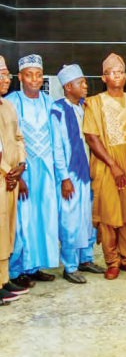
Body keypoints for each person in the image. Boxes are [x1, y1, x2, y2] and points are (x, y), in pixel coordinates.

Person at [83, 53, 126, 280]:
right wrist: (113, 165)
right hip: (105, 164)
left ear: (125, 76)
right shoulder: (94, 103)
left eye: (120, 72)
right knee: (109, 214)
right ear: (104, 77)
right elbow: (92, 137)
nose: (116, 76)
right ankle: (112, 261)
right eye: (111, 72)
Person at [7, 54, 59, 289]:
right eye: (29, 75)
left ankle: (35, 266)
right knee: (23, 220)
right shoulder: (11, 102)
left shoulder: (49, 102)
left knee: (44, 218)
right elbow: (11, 141)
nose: (34, 80)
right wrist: (19, 176)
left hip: (46, 171)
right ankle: (17, 270)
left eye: (38, 75)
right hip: (23, 172)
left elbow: (56, 138)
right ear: (20, 77)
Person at [51, 64, 105, 284]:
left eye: (84, 82)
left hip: (87, 172)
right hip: (70, 176)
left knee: (87, 218)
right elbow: (57, 147)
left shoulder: (86, 107)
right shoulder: (58, 110)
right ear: (67, 86)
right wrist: (64, 177)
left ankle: (86, 259)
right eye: (80, 83)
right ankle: (70, 266)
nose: (85, 86)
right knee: (71, 221)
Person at [0, 56, 27, 304]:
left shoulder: (8, 106)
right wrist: (7, 170)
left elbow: (18, 137)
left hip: (10, 178)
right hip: (2, 177)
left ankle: (3, 279)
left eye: (7, 74)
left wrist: (20, 165)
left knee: (8, 230)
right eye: (1, 75)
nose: (6, 79)